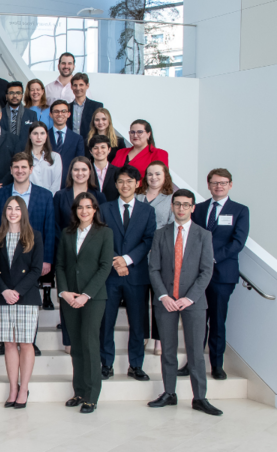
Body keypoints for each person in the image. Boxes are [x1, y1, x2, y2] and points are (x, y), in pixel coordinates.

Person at [147, 189, 223, 416]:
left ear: (193, 208)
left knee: (196, 353)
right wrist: (163, 296)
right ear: (172, 206)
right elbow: (154, 268)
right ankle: (169, 393)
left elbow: (207, 270)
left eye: (186, 205)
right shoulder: (160, 234)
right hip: (166, 302)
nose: (181, 208)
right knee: (168, 351)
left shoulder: (204, 235)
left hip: (194, 302)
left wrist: (190, 298)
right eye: (177, 204)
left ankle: (199, 397)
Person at [188, 168, 249, 380]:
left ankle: (217, 365)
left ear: (230, 185)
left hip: (222, 275)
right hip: (196, 276)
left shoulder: (240, 210)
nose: (219, 186)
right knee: (196, 321)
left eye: (223, 183)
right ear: (208, 185)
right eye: (215, 183)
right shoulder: (199, 209)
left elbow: (238, 243)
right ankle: (192, 363)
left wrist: (211, 259)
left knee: (217, 320)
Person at [56, 192, 114, 414]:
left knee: (90, 344)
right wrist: (64, 292)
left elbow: (105, 267)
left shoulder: (105, 233)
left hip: (94, 297)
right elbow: (60, 265)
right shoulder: (67, 233)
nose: (84, 211)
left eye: (88, 207)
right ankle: (79, 391)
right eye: (80, 207)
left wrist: (85, 294)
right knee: (76, 346)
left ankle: (92, 395)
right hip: (70, 297)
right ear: (75, 210)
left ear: (95, 209)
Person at [97, 166, 157, 381]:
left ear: (138, 183)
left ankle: (136, 365)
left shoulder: (147, 211)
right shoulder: (104, 208)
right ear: (115, 184)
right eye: (121, 181)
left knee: (138, 323)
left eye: (129, 181)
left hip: (137, 275)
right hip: (110, 276)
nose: (125, 185)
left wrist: (127, 260)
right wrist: (116, 261)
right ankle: (106, 364)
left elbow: (149, 240)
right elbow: (100, 238)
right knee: (107, 322)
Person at [0, 196, 43, 409]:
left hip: (26, 297)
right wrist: (4, 290)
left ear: (23, 212)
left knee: (25, 342)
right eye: (9, 208)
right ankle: (13, 387)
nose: (13, 212)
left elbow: (36, 270)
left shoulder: (34, 236)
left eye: (17, 209)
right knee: (10, 343)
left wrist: (17, 292)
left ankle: (24, 388)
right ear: (5, 213)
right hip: (3, 297)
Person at [53, 157, 107, 344]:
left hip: (89, 259)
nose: (80, 173)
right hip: (66, 253)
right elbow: (56, 224)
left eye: (84, 169)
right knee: (68, 298)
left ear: (90, 172)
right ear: (70, 172)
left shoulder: (98, 196)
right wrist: (66, 246)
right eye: (76, 169)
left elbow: (101, 226)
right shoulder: (61, 195)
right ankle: (68, 341)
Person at [48, 100, 86, 190]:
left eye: (63, 111)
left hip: (69, 185)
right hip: (48, 184)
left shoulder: (78, 139)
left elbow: (79, 163)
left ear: (69, 114)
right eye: (56, 111)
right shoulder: (43, 137)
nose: (60, 114)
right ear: (51, 114)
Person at [24, 122, 62, 194]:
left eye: (42, 133)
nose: (39, 137)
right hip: (29, 198)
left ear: (46, 135)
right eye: (35, 133)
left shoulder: (55, 157)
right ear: (29, 135)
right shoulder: (23, 157)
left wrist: (48, 198)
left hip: (50, 199)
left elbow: (56, 183)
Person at [3, 82, 39, 150]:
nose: (15, 96)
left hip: (25, 153)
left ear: (22, 95)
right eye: (11, 93)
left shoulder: (32, 115)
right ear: (6, 96)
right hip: (4, 153)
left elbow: (35, 135)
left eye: (18, 93)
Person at [67, 73, 103, 137]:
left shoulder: (96, 106)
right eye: (75, 85)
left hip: (90, 144)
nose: (78, 88)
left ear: (87, 86)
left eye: (81, 85)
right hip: (72, 144)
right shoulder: (67, 107)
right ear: (71, 87)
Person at [88, 135, 120, 202]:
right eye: (95, 148)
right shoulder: (86, 171)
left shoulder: (118, 171)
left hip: (111, 209)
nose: (99, 151)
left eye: (103, 147)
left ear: (109, 150)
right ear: (91, 151)